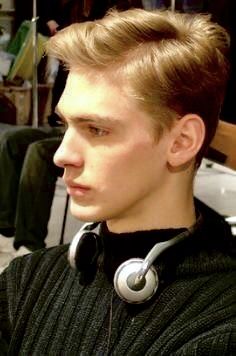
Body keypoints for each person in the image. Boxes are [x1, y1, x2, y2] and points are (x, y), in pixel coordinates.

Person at [0, 8, 235, 355]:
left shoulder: (219, 328)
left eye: (96, 129)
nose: (61, 155)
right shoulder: (25, 283)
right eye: (66, 125)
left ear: (181, 142)